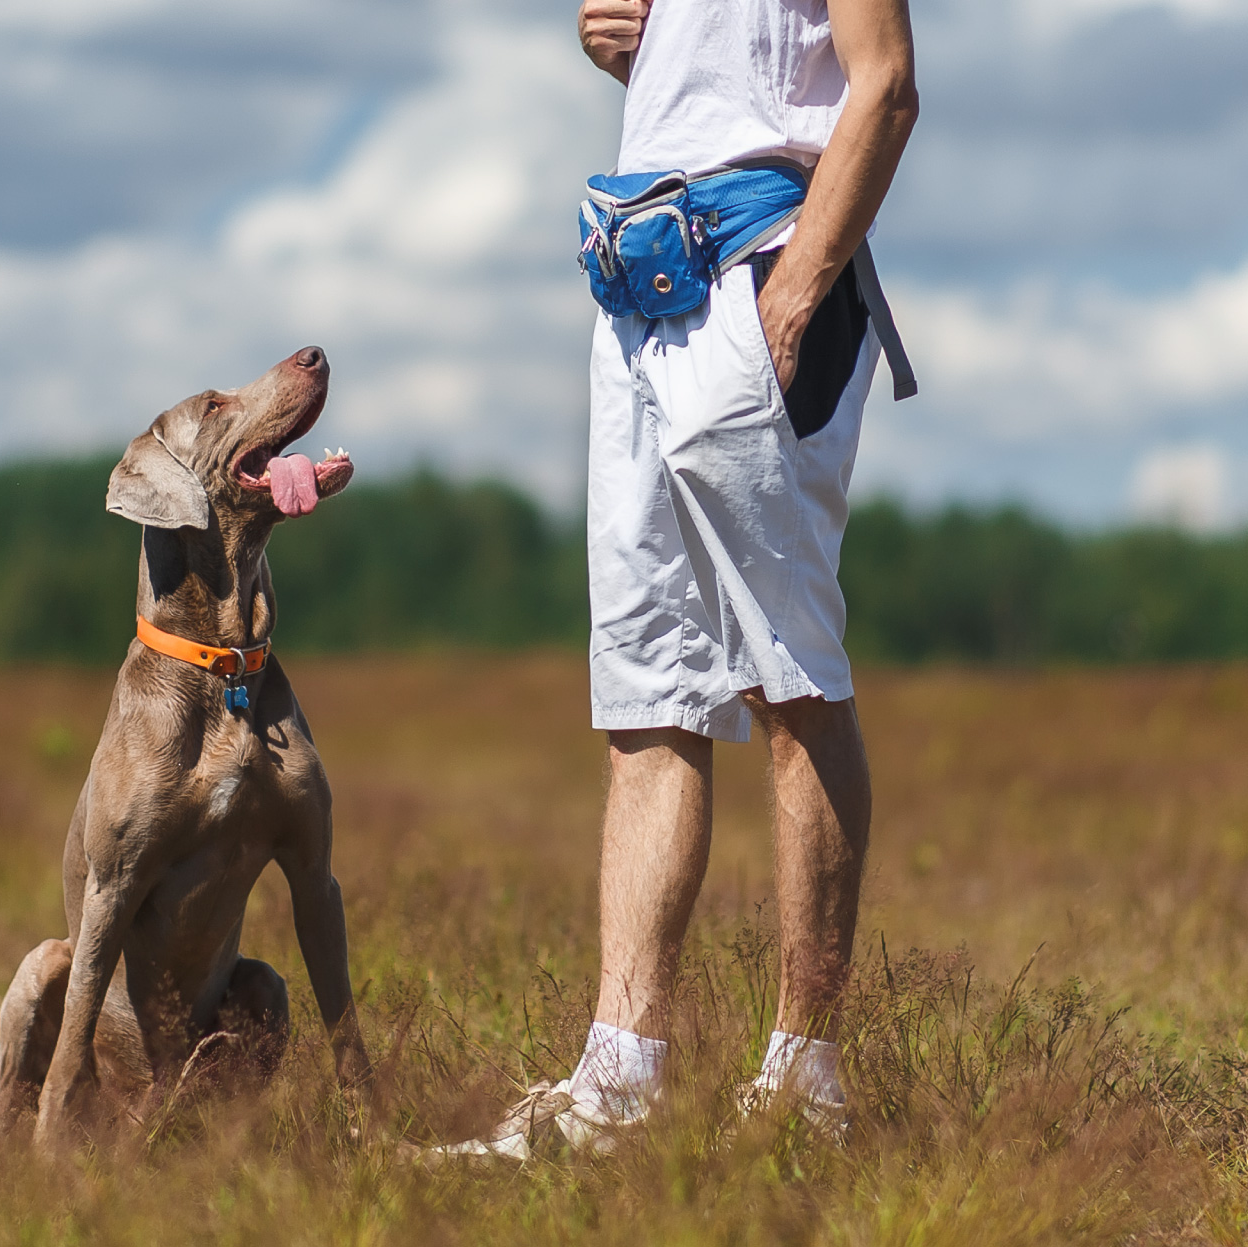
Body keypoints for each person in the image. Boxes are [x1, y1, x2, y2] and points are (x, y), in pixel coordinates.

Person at [437, 0, 918, 1158]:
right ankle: (618, 1087)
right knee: (649, 698)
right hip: (640, 291)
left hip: (761, 275)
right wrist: (632, 56)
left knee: (789, 671)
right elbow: (736, 83)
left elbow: (886, 84)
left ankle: (808, 1088)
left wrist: (799, 287)